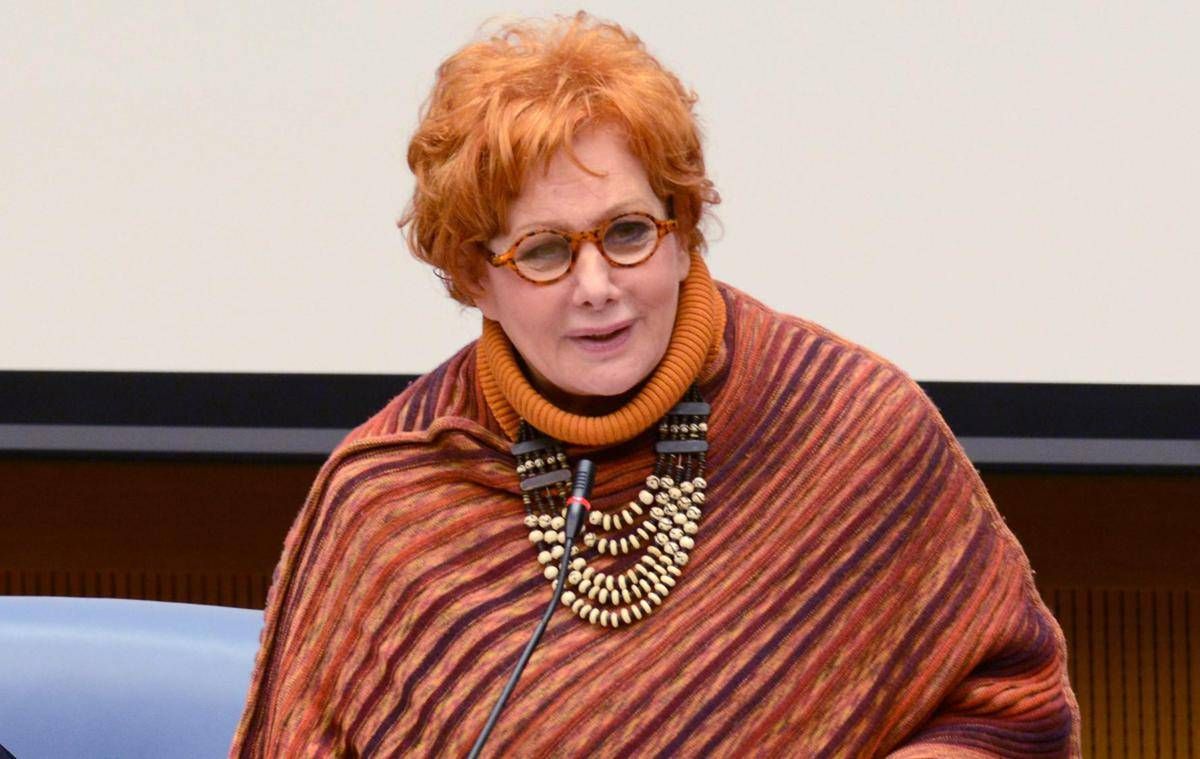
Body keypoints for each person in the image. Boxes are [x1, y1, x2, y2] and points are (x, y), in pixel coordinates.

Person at [231, 13, 1079, 757]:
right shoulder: (387, 501)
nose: (596, 285)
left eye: (628, 232)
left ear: (682, 233)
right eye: (544, 250)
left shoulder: (851, 425)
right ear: (475, 277)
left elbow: (1011, 708)